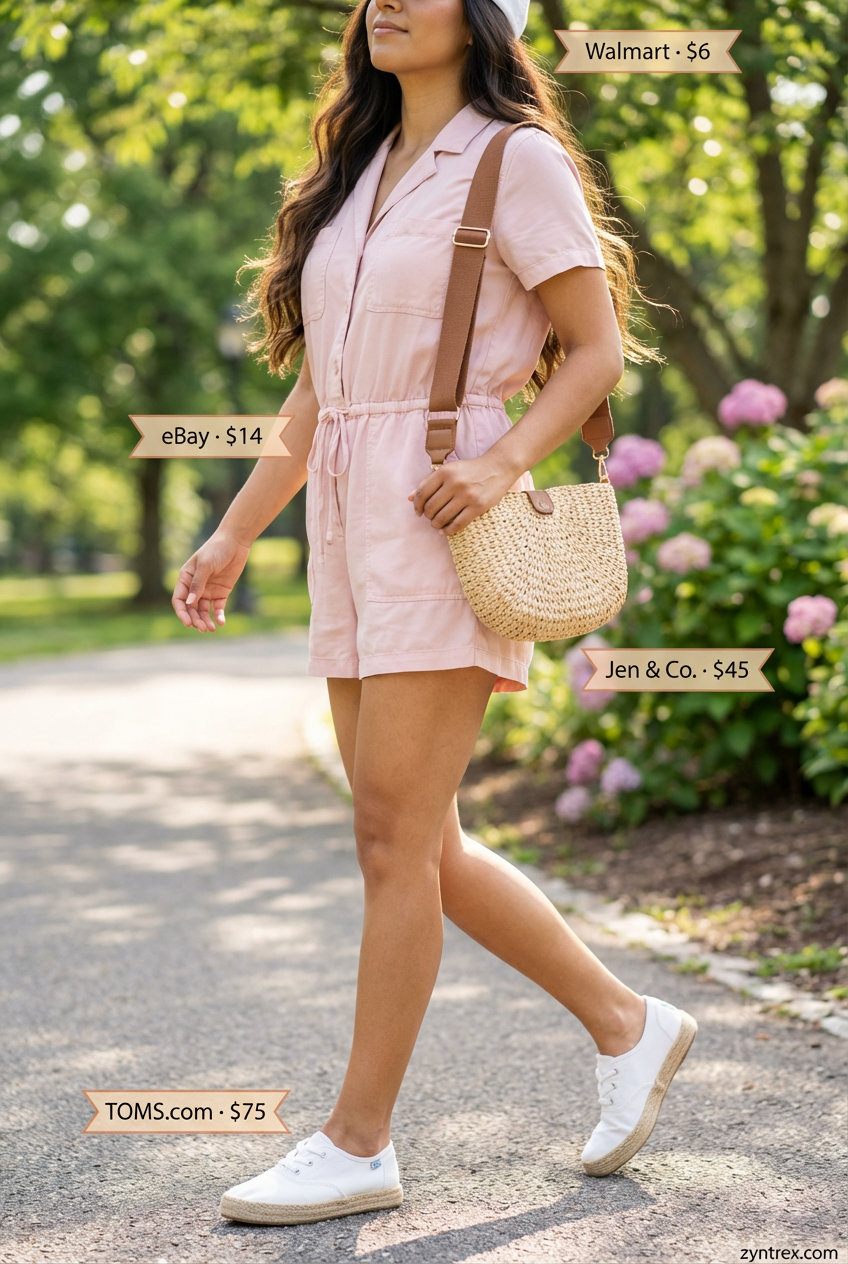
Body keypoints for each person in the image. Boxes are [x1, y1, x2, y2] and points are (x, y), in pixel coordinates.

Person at [171, 0, 697, 1227]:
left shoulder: (515, 160)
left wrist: (502, 462)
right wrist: (235, 530)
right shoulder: (357, 174)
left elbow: (595, 350)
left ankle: (357, 1141)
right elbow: (320, 392)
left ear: (482, 18)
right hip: (346, 522)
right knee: (421, 842)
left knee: (389, 838)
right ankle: (627, 1022)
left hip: (443, 515)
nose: (385, 2)